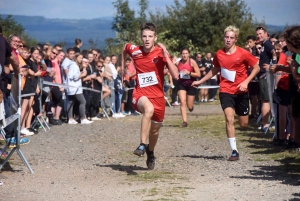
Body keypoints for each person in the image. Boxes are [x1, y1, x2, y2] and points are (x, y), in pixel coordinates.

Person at [192, 25, 260, 161]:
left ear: (236, 39)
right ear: (224, 37)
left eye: (231, 38)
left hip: (241, 91)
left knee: (244, 124)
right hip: (226, 90)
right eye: (226, 37)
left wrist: (246, 81)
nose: (228, 40)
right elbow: (215, 69)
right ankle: (234, 151)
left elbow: (256, 67)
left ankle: (239, 133)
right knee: (229, 118)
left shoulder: (243, 53)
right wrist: (201, 81)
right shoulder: (219, 54)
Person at [122, 22, 178, 170]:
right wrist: (123, 71)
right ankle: (142, 144)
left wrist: (166, 55)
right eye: (144, 36)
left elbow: (176, 75)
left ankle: (150, 152)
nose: (147, 39)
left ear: (155, 38)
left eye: (150, 36)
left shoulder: (160, 53)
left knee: (155, 130)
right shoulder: (134, 50)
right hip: (140, 93)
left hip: (158, 97)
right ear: (141, 37)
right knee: (148, 109)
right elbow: (124, 48)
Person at [256, 26, 277, 132]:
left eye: (260, 33)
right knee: (264, 100)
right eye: (257, 34)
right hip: (264, 75)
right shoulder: (264, 44)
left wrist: (272, 65)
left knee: (265, 100)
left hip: (266, 75)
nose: (259, 36)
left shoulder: (267, 43)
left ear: (266, 33)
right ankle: (265, 123)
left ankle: (265, 124)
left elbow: (274, 52)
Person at [177, 48, 200, 127]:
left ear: (189, 54)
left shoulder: (192, 62)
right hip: (181, 84)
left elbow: (198, 74)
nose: (184, 55)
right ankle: (184, 122)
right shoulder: (178, 63)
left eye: (186, 53)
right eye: (183, 53)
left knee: (189, 106)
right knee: (182, 102)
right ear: (181, 54)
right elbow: (174, 71)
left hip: (191, 84)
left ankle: (191, 107)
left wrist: (189, 73)